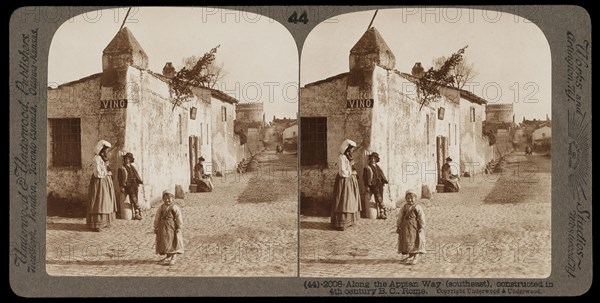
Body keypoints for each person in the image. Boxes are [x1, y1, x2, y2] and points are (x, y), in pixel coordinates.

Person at [86, 140, 118, 232]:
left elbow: (105, 168)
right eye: (106, 149)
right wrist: (107, 173)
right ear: (102, 149)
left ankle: (105, 222)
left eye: (107, 150)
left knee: (106, 201)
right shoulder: (97, 158)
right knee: (99, 201)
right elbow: (98, 173)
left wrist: (107, 170)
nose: (107, 151)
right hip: (99, 182)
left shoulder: (104, 158)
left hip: (105, 181)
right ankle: (97, 223)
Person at [331, 139, 362, 231]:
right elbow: (342, 172)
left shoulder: (349, 158)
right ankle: (341, 222)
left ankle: (350, 221)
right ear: (347, 149)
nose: (352, 151)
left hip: (350, 180)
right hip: (344, 181)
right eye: (351, 149)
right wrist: (351, 172)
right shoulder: (342, 158)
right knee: (344, 200)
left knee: (351, 200)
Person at [154, 189, 184, 265]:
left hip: (171, 227)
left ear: (173, 199)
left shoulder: (175, 207)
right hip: (163, 227)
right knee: (165, 241)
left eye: (169, 198)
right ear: (163, 199)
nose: (167, 200)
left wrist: (179, 227)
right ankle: (168, 255)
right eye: (165, 199)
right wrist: (155, 226)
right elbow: (157, 217)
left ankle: (173, 256)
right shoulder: (161, 208)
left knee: (172, 241)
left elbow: (178, 217)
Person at [396, 189, 426, 265]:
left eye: (412, 198)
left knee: (415, 240)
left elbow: (421, 217)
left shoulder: (417, 207)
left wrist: (422, 226)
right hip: (405, 227)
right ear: (406, 199)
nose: (410, 200)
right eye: (408, 198)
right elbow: (400, 217)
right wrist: (398, 225)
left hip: (414, 227)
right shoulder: (404, 207)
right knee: (407, 240)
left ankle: (416, 255)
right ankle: (410, 254)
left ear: (415, 198)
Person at [118, 152, 144, 220]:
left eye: (129, 159)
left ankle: (136, 213)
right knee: (133, 197)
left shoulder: (132, 167)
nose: (127, 160)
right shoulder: (122, 168)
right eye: (126, 159)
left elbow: (136, 175)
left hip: (134, 184)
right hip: (128, 185)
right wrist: (121, 187)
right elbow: (120, 179)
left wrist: (138, 181)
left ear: (130, 160)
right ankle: (139, 209)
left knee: (135, 197)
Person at [363, 152, 389, 219]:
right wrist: (367, 186)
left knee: (380, 197)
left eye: (374, 158)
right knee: (378, 197)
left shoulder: (377, 167)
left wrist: (383, 182)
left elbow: (381, 175)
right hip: (373, 185)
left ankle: (381, 212)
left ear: (376, 159)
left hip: (379, 184)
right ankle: (384, 208)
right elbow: (365, 178)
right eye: (371, 158)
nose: (373, 160)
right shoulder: (367, 167)